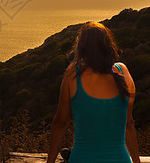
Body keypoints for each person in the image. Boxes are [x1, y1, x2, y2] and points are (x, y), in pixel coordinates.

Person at [47, 22, 141, 163]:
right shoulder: (123, 72)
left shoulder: (73, 74)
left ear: (82, 48)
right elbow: (129, 124)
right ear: (109, 46)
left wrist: (50, 161)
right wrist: (137, 161)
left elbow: (61, 122)